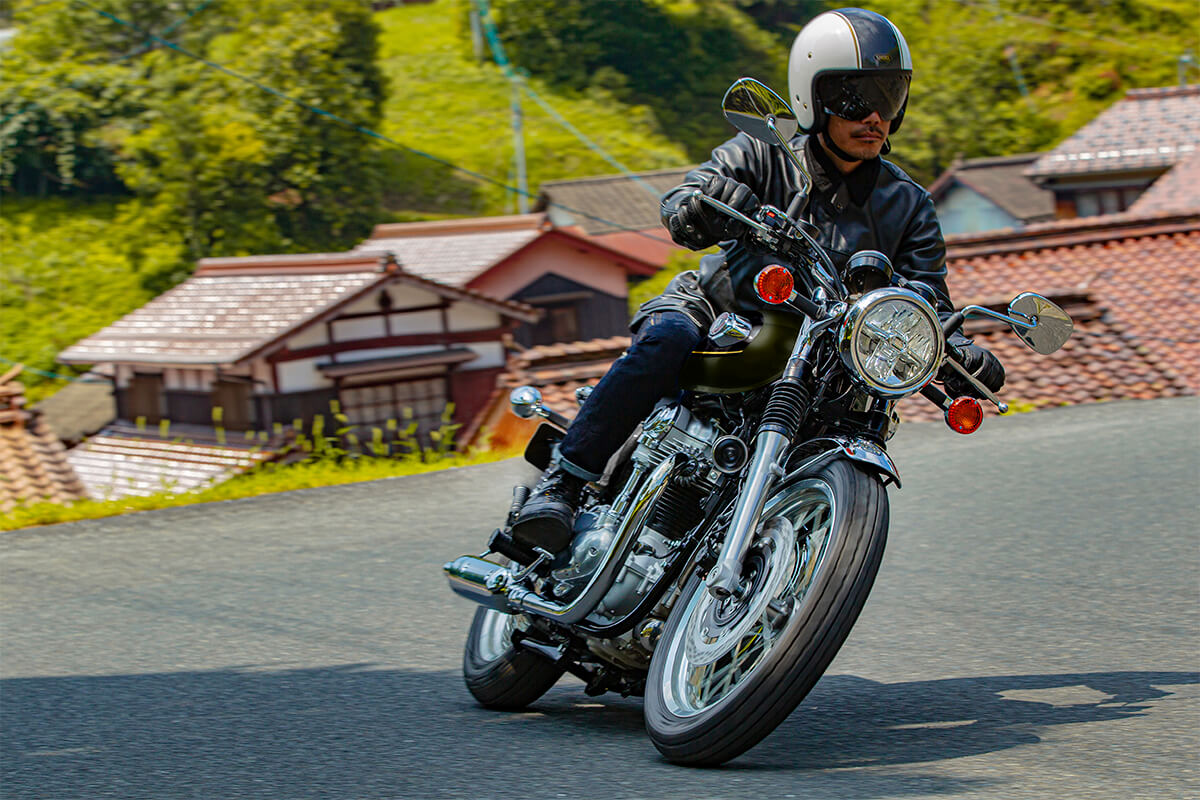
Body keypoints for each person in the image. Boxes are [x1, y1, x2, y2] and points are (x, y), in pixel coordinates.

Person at [511, 7, 1004, 555]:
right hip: (721, 314)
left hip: (823, 357)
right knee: (666, 338)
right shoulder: (765, 154)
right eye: (854, 99)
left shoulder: (909, 205)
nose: (874, 117)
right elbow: (687, 197)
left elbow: (927, 294)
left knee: (853, 418)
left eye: (888, 98)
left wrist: (952, 343)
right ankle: (564, 482)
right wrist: (706, 203)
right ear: (812, 100)